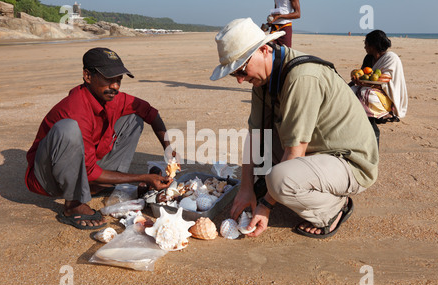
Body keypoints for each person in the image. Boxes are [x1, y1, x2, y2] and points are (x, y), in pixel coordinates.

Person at [210, 18, 379, 239]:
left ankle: (333, 208)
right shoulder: (263, 79)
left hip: (350, 162)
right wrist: (245, 188)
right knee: (260, 160)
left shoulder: (302, 77)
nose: (241, 80)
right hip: (318, 152)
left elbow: (295, 151)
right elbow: (255, 135)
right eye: (235, 74)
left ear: (263, 49)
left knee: (279, 180)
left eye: (241, 69)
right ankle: (288, 187)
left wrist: (265, 206)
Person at [25, 48, 174, 230]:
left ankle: (100, 185)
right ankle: (73, 204)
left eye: (119, 80)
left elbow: (150, 113)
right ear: (87, 76)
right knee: (69, 128)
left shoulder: (111, 98)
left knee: (134, 118)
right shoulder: (75, 109)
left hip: (86, 167)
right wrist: (143, 178)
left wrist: (169, 152)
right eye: (109, 79)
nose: (116, 86)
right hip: (48, 178)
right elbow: (88, 170)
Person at [350, 30, 408, 143]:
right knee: (351, 91)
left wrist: (366, 84)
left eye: (366, 44)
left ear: (373, 45)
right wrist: (354, 82)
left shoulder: (391, 58)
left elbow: (388, 83)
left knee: (365, 94)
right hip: (369, 88)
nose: (364, 47)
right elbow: (363, 75)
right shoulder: (368, 58)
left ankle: (385, 113)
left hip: (386, 95)